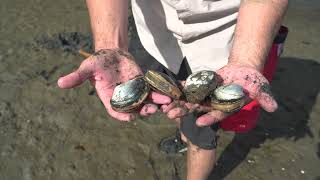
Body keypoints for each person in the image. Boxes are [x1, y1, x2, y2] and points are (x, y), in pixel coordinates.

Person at [57, 0, 288, 179]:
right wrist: (109, 44)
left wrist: (247, 59)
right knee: (170, 101)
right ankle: (183, 136)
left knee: (201, 129)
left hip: (226, 44)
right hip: (155, 31)